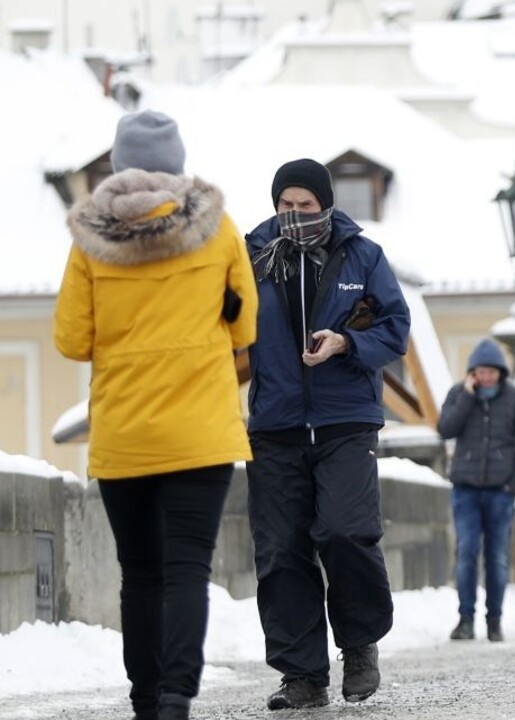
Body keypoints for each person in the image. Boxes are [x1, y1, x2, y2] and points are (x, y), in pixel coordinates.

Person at [54, 110, 258, 720]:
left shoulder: (90, 241)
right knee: (186, 570)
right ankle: (176, 697)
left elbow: (71, 338)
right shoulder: (218, 231)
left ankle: (145, 701)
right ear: (178, 163)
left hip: (125, 434)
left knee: (139, 573)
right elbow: (246, 326)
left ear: (117, 166)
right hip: (200, 432)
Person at [243, 158, 410, 709]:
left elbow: (395, 328)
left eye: (305, 206)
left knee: (345, 531)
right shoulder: (251, 258)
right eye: (285, 206)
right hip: (275, 423)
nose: (294, 216)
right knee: (281, 551)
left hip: (345, 419)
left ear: (326, 205)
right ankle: (302, 675)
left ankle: (359, 643)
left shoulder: (364, 256)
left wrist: (346, 344)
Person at [437, 338, 515, 642]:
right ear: (472, 373)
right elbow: (445, 429)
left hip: (500, 492)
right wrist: (467, 397)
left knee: (497, 558)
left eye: (491, 372)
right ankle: (465, 619)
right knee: (466, 552)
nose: (486, 378)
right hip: (465, 490)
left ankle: (494, 620)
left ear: (500, 373)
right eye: (480, 372)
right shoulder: (458, 394)